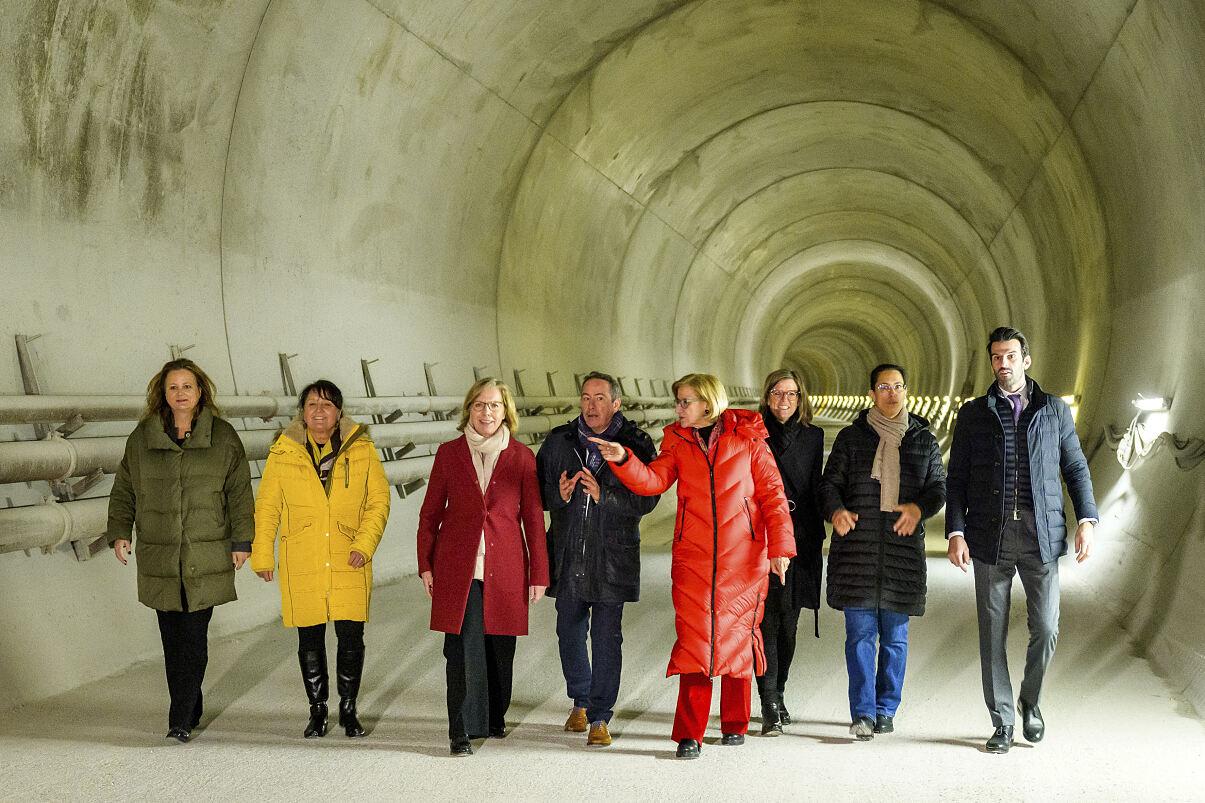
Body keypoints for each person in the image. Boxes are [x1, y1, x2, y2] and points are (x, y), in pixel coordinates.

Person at [591, 372, 794, 760]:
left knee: (737, 637)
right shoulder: (677, 441)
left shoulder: (747, 437)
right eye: (678, 401)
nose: (678, 408)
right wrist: (623, 459)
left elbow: (772, 494)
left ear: (707, 403)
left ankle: (735, 723)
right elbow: (652, 481)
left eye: (685, 401)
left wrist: (780, 549)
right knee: (695, 643)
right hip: (694, 559)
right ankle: (690, 733)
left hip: (743, 558)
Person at [946, 327, 1097, 754]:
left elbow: (1076, 469)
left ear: (1026, 360)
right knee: (991, 631)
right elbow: (956, 479)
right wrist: (956, 531)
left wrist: (1087, 519)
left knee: (1046, 627)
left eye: (1011, 356)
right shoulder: (974, 414)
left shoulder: (1054, 411)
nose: (1003, 364)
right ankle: (1003, 722)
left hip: (1041, 535)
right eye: (996, 357)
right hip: (990, 537)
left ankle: (1030, 700)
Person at [107, 358, 254, 743]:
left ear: (200, 391)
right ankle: (190, 704)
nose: (181, 393)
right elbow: (124, 488)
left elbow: (239, 493)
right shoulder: (142, 438)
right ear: (163, 393)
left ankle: (180, 719)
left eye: (187, 386)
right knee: (172, 638)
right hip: (160, 554)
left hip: (206, 552)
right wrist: (120, 531)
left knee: (194, 636)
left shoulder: (223, 437)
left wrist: (242, 541)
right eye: (173, 387)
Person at [417, 377, 550, 756]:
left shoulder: (522, 457)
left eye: (494, 405)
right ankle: (460, 729)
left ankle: (494, 715)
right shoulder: (449, 453)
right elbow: (429, 514)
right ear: (468, 410)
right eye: (479, 404)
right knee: (460, 650)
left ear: (505, 411)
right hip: (458, 568)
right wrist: (425, 563)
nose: (486, 412)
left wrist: (539, 574)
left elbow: (534, 520)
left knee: (499, 649)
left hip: (506, 566)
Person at [252, 380, 390, 739]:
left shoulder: (362, 450)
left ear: (339, 413)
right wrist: (262, 553)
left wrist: (365, 544)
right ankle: (317, 711)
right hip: (303, 557)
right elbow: (267, 506)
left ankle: (348, 708)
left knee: (350, 635)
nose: (318, 411)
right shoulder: (283, 452)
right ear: (302, 412)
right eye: (312, 404)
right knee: (309, 637)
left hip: (350, 556)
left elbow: (378, 501)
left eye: (327, 405)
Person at [819, 364, 946, 741]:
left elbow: (938, 486)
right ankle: (862, 713)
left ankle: (886, 708)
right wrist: (836, 511)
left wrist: (919, 508)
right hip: (856, 551)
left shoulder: (923, 440)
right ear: (871, 393)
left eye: (898, 386)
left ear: (907, 392)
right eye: (883, 387)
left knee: (894, 639)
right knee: (859, 637)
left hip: (902, 554)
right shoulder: (851, 439)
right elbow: (829, 484)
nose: (891, 393)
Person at [536, 371, 659, 748]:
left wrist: (606, 496)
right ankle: (581, 700)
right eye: (586, 398)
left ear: (616, 403)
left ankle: (600, 717)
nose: (592, 405)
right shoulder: (559, 441)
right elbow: (536, 493)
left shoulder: (636, 443)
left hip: (612, 558)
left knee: (607, 638)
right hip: (569, 552)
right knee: (568, 631)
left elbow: (648, 497)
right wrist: (556, 495)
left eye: (600, 398)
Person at [754, 368, 827, 736]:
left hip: (803, 538)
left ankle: (779, 691)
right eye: (778, 393)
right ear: (767, 397)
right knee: (766, 621)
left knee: (790, 623)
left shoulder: (814, 437)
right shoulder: (753, 433)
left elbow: (817, 486)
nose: (785, 400)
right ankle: (767, 702)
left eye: (792, 394)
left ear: (801, 399)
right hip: (763, 537)